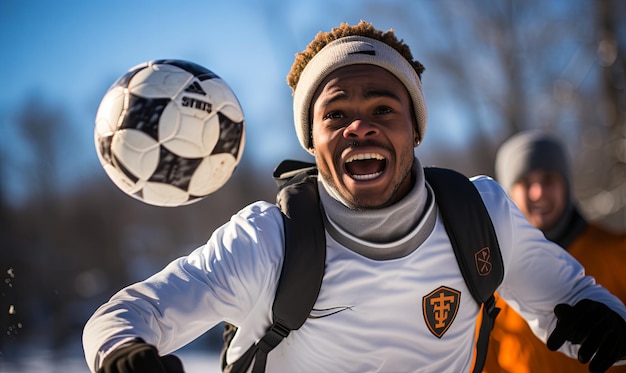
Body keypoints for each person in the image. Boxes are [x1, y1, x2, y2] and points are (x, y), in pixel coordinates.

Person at [83, 21, 626, 373]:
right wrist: (125, 356)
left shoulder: (479, 215)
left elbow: (572, 299)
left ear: (415, 130)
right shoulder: (269, 240)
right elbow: (125, 315)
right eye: (336, 115)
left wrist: (606, 325)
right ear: (313, 142)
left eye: (383, 109)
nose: (359, 128)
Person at [484, 131, 626, 373]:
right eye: (526, 182)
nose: (538, 192)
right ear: (507, 193)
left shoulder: (616, 252)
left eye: (548, 179)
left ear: (566, 184)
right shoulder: (488, 274)